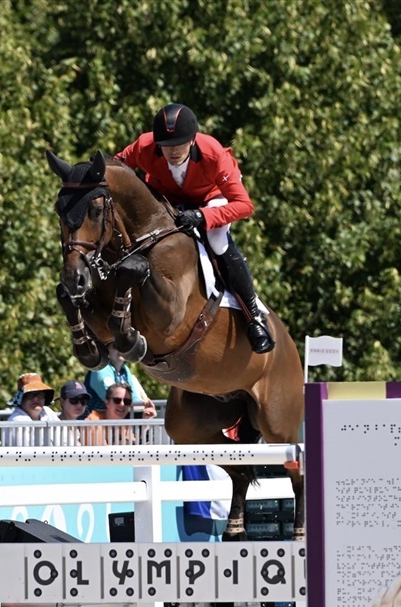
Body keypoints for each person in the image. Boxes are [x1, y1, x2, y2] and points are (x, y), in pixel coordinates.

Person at [116, 103, 273, 354]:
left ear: (192, 140)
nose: (172, 151)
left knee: (218, 240)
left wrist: (202, 216)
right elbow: (113, 169)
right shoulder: (144, 146)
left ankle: (253, 316)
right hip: (169, 198)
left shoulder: (213, 154)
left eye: (179, 144)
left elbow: (244, 205)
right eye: (166, 146)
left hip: (212, 197)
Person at [82, 343, 157, 419]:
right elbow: (115, 401)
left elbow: (134, 399)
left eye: (124, 346)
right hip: (90, 422)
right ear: (105, 349)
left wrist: (146, 410)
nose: (121, 350)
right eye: (116, 346)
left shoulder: (125, 370)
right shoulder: (100, 369)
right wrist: (142, 409)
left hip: (114, 422)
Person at [3, 373, 59, 446]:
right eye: (30, 394)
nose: (36, 399)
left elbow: (64, 438)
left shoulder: (48, 412)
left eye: (40, 394)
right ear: (21, 399)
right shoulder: (17, 421)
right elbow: (27, 451)